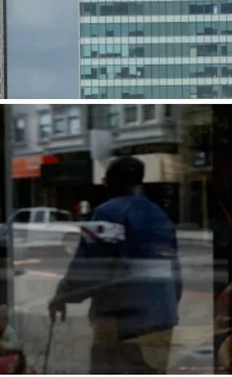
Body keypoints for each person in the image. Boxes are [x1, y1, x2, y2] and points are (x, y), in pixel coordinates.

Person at [49, 156, 183, 373]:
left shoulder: (106, 213)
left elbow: (90, 265)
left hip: (124, 320)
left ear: (111, 182)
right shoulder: (160, 216)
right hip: (162, 317)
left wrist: (62, 296)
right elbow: (173, 268)